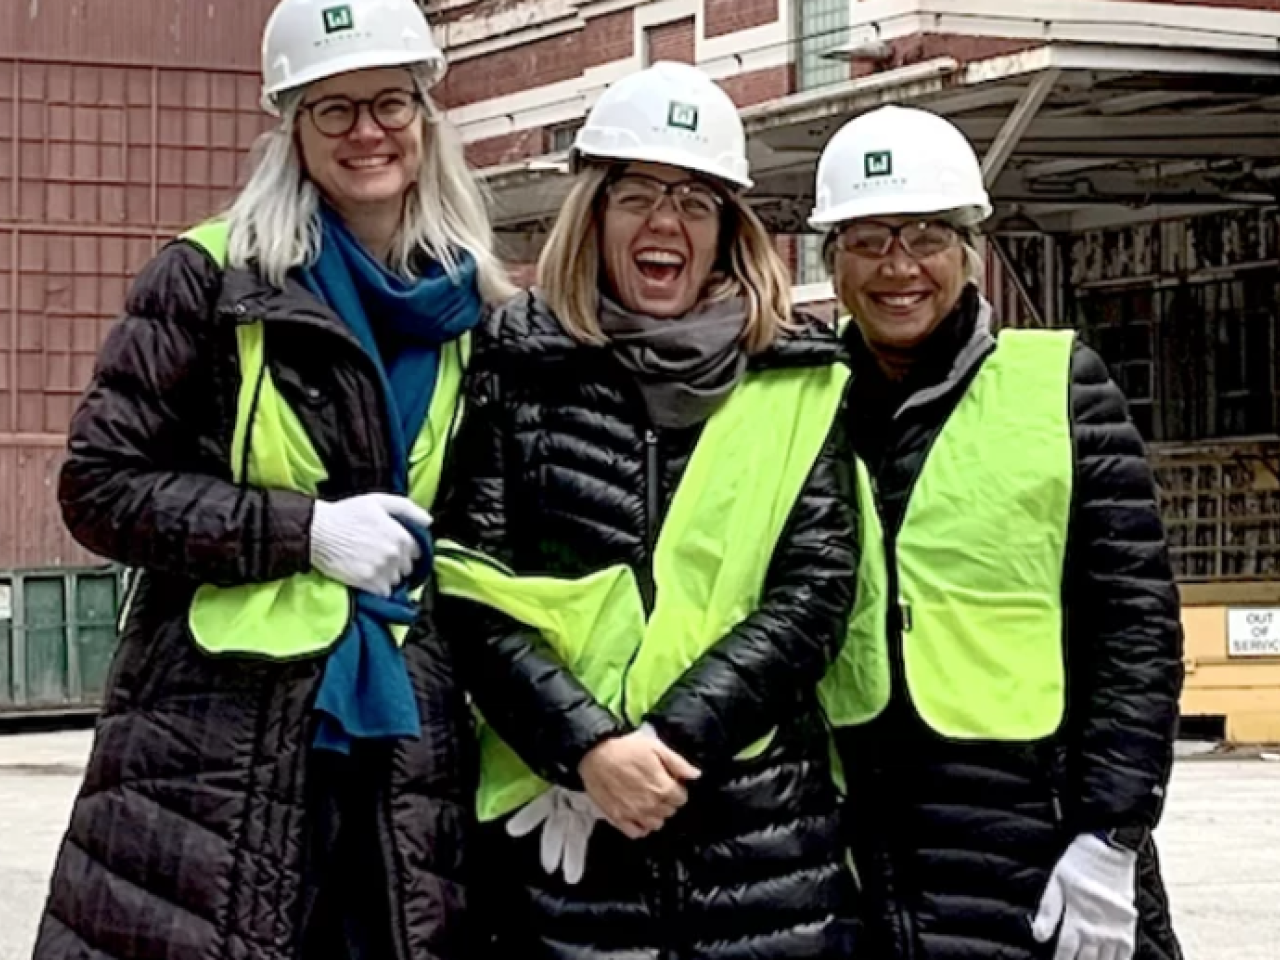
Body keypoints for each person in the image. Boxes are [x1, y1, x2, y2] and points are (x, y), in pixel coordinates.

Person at [33, 0, 512, 958]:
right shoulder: (208, 280)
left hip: (404, 747)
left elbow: (488, 540)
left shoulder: (478, 305)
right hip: (215, 746)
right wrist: (304, 532)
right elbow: (100, 486)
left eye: (388, 102)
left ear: (425, 114)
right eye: (331, 110)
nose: (366, 131)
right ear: (289, 128)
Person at [431, 60, 862, 960]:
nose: (666, 222)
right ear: (593, 215)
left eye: (695, 202)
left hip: (760, 845)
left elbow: (815, 591)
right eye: (637, 196)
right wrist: (585, 748)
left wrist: (665, 746)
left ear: (726, 232)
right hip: (566, 845)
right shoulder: (514, 371)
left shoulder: (798, 375)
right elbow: (468, 590)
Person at [810, 104, 1185, 960]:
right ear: (832, 260)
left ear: (970, 249)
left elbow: (1135, 628)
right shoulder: (795, 407)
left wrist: (1111, 835)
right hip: (864, 848)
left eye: (926, 236)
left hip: (1040, 845)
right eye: (868, 240)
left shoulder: (1062, 389)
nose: (897, 267)